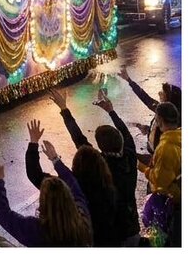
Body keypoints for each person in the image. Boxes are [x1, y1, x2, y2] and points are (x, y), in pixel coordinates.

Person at [47, 88, 140, 243]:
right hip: (132, 225)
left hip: (114, 233)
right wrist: (111, 111)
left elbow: (79, 139)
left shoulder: (101, 166)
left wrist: (64, 109)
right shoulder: (130, 155)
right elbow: (125, 132)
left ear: (101, 147)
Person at [24, 118, 117, 246]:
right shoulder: (109, 186)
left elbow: (34, 174)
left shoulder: (65, 189)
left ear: (75, 167)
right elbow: (82, 142)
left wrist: (34, 143)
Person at [0, 148, 92, 246]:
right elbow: (74, 186)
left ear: (43, 201)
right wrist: (56, 160)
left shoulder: (35, 230)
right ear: (68, 196)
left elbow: (3, 214)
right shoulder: (82, 219)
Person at [138, 102, 181, 246]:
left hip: (171, 204)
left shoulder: (165, 148)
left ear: (160, 120)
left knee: (163, 240)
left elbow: (160, 184)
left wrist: (144, 169)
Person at [119, 66, 181, 154]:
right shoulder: (164, 110)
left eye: (162, 93)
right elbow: (145, 98)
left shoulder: (171, 121)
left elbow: (147, 100)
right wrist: (149, 130)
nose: (159, 93)